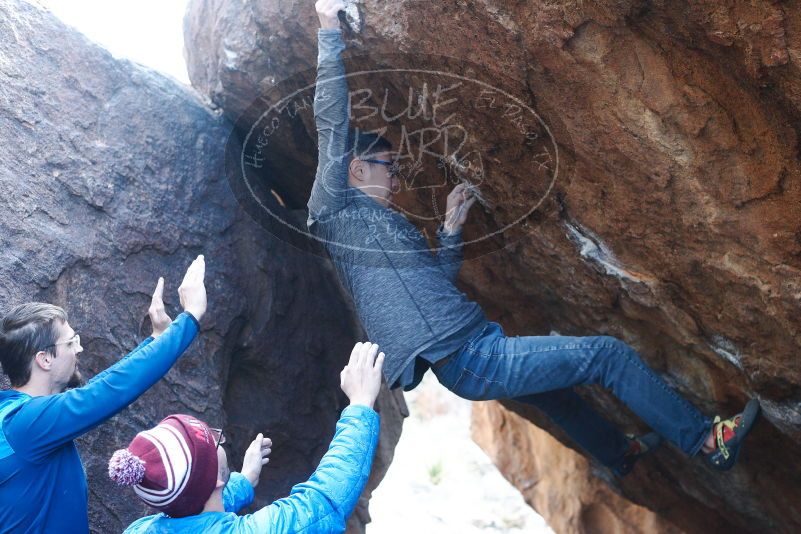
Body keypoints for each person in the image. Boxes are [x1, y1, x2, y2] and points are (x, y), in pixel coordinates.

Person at [307, 0, 759, 474]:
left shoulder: (384, 228)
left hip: (471, 349)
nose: (397, 180)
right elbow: (331, 124)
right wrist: (328, 29)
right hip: (471, 357)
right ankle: (708, 441)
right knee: (607, 355)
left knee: (557, 396)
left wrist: (450, 231)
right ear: (355, 168)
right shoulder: (334, 208)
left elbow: (434, 288)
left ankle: (617, 453)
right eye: (390, 168)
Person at [0, 255, 207, 533]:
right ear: (44, 359)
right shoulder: (26, 424)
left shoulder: (18, 420)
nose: (79, 349)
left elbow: (103, 386)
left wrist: (158, 338)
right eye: (72, 342)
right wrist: (190, 317)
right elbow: (108, 390)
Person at [114, 341, 383, 533]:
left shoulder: (140, 529)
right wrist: (360, 403)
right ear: (216, 479)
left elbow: (196, 514)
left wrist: (244, 479)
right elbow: (323, 502)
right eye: (213, 439)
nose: (219, 438)